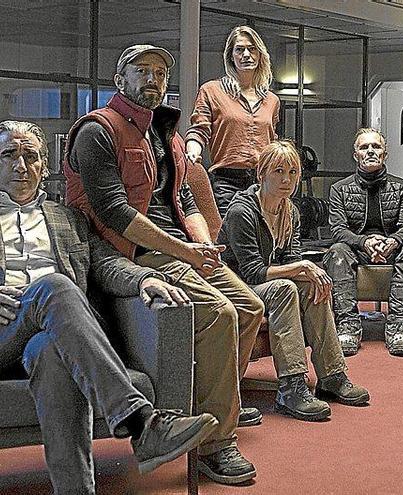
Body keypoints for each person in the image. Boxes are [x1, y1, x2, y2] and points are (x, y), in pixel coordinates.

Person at [63, 44, 264, 485]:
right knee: (219, 313)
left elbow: (184, 198)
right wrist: (186, 253)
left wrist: (203, 243)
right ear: (120, 80)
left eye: (159, 72)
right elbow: (115, 213)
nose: (153, 79)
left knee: (250, 307)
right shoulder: (97, 131)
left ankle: (214, 404)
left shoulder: (166, 134)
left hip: (181, 245)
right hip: (130, 251)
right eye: (142, 71)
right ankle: (216, 444)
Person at [0, 120, 219, 494]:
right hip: (5, 332)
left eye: (31, 156)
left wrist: (144, 280)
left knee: (50, 353)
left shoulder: (69, 218)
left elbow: (105, 263)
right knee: (55, 285)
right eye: (9, 155)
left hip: (59, 336)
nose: (21, 166)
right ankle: (141, 423)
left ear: (44, 167)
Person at [220, 141, 370, 421]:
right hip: (238, 285)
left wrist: (311, 274)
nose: (286, 180)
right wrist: (302, 267)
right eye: (278, 171)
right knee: (285, 288)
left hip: (267, 281)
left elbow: (291, 258)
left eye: (292, 172)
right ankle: (291, 387)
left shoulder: (290, 211)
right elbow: (252, 271)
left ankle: (332, 375)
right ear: (261, 174)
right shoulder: (242, 211)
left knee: (312, 284)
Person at [323, 128, 403, 357]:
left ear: (385, 154)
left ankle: (398, 326)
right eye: (364, 147)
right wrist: (365, 242)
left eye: (376, 147)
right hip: (356, 249)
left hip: (393, 248)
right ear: (355, 154)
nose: (370, 151)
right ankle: (348, 325)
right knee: (337, 251)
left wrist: (392, 242)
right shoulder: (339, 189)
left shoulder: (402, 187)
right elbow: (338, 229)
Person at [185, 25, 280, 217]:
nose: (246, 55)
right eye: (239, 49)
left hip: (263, 180)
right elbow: (199, 129)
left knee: (262, 231)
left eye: (252, 49)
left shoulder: (271, 100)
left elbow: (272, 141)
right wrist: (192, 151)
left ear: (260, 54)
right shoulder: (212, 91)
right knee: (230, 231)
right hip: (227, 181)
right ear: (231, 56)